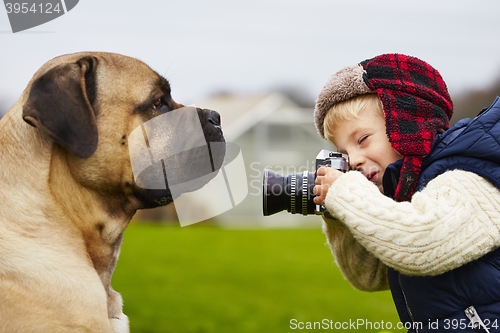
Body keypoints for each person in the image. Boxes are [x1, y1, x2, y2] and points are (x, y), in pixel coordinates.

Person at [312, 53, 500, 332]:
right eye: (344, 153)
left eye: (362, 139)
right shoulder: (410, 191)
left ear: (407, 121)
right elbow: (369, 276)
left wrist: (346, 192)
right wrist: (338, 213)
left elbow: (422, 242)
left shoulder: (468, 177)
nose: (354, 160)